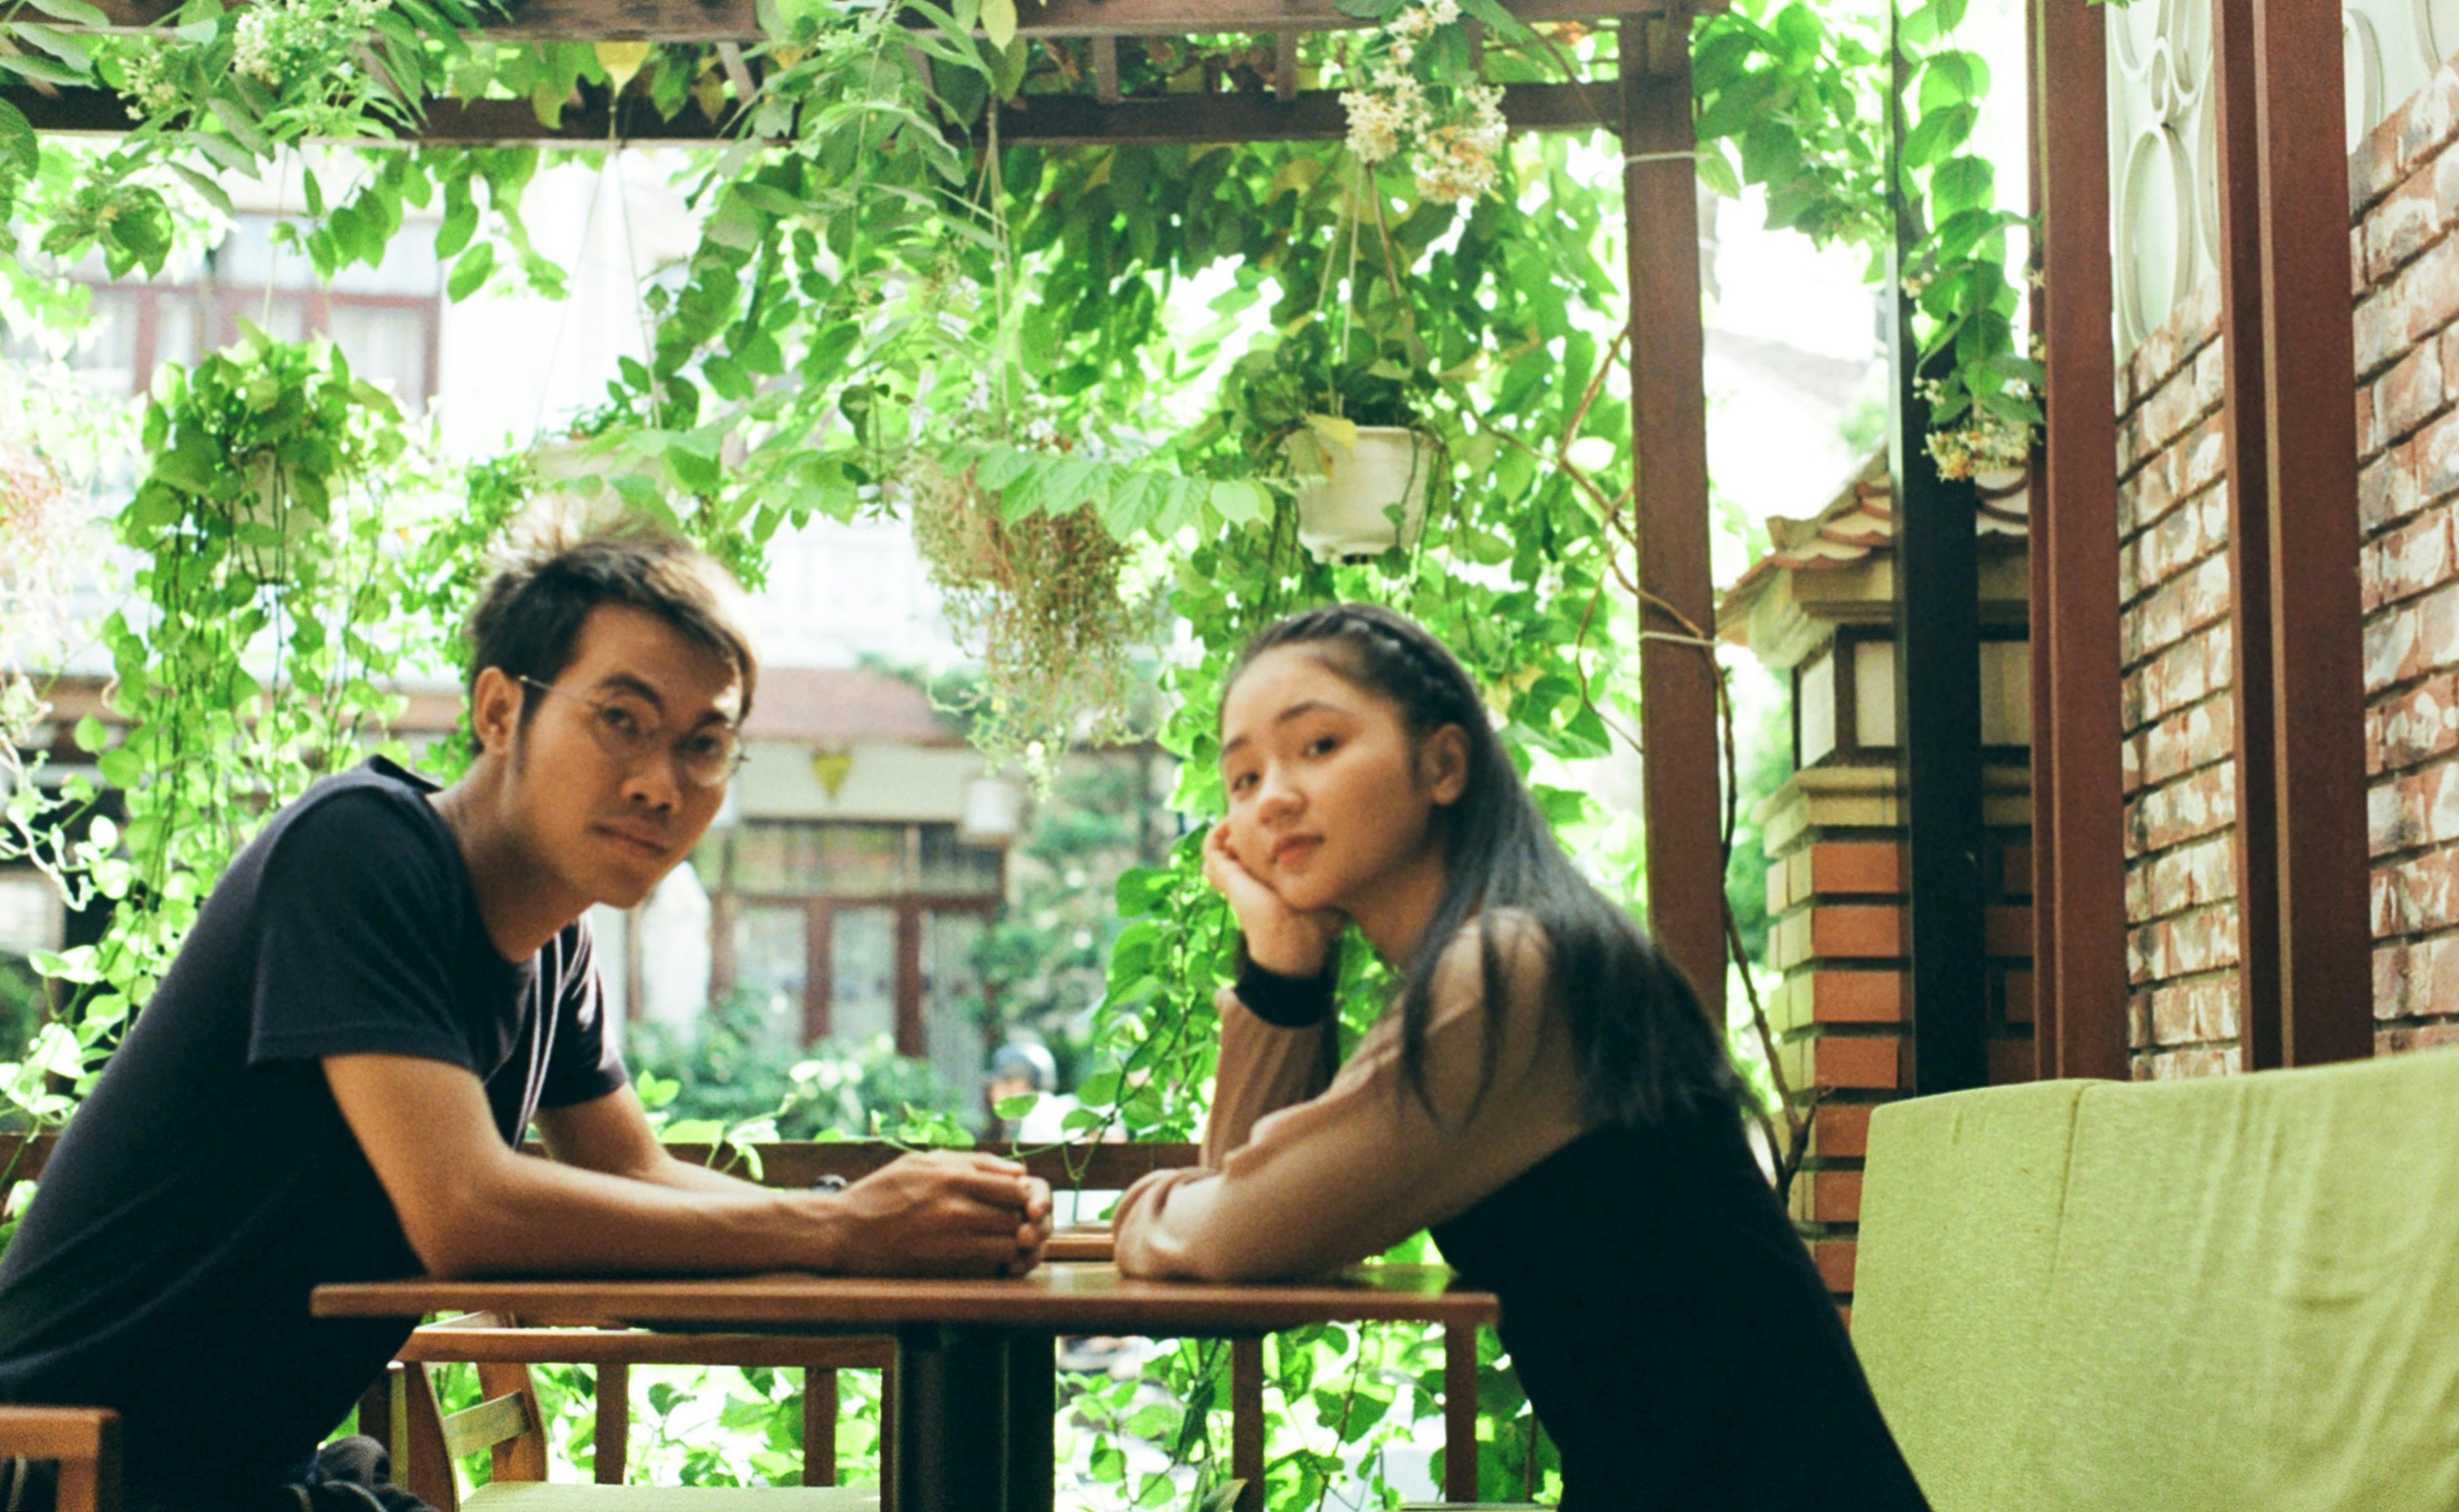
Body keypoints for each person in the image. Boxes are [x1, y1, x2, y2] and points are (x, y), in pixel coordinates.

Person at [0, 518, 1051, 1512]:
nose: (661, 783)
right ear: (501, 711)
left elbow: (632, 1173)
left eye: (703, 744)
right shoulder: (361, 850)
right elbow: (463, 1205)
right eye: (621, 721)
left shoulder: (553, 948)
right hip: (69, 1468)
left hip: (231, 1476)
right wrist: (837, 1229)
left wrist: (889, 1220)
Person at [1110, 602, 1928, 1511]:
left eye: (1319, 746)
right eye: (1243, 776)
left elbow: (1225, 1235)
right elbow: (1241, 1242)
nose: (1272, 797)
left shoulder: (1507, 978)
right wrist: (1285, 961)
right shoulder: (1496, 959)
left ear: (1444, 764)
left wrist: (1150, 1208)